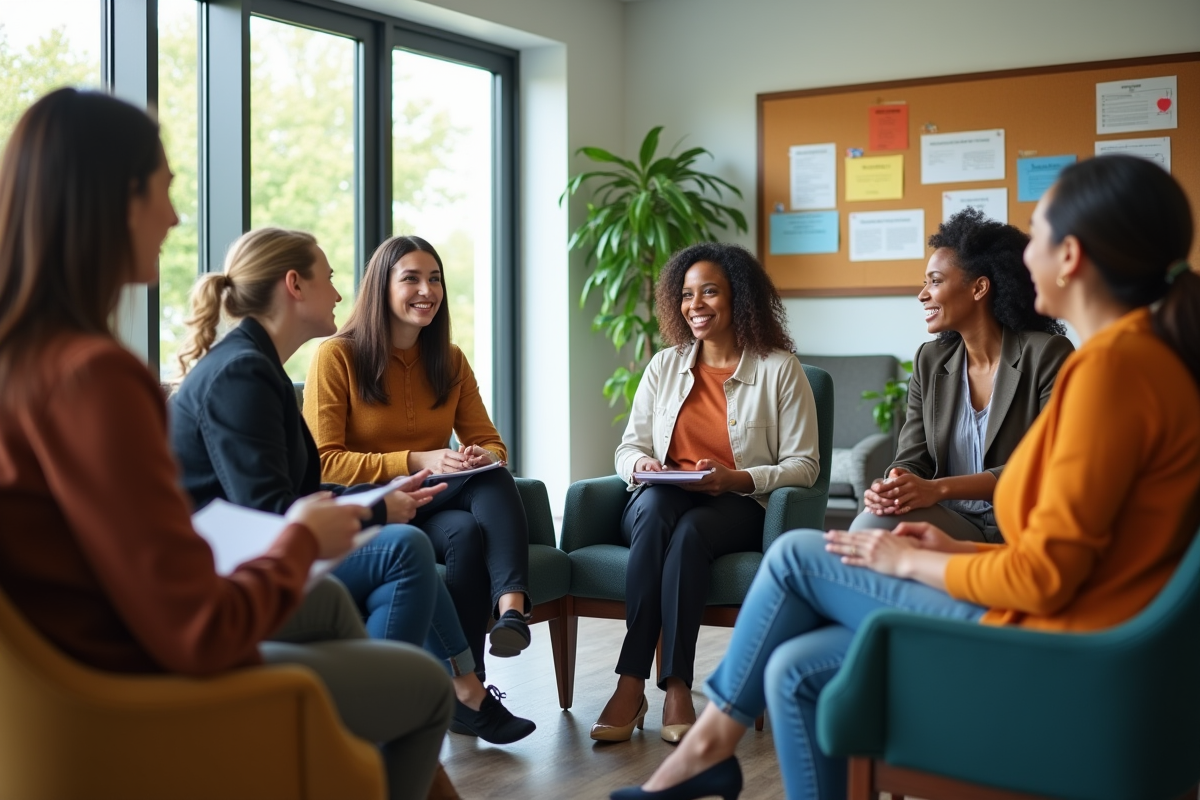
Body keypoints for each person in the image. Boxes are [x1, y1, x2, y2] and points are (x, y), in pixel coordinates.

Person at [612, 155, 1200, 800]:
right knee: (793, 668)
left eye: (1039, 233)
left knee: (796, 559)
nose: (1024, 255)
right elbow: (1071, 548)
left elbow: (1043, 575)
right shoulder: (1136, 359)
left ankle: (703, 751)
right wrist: (949, 547)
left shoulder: (1111, 373)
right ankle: (707, 751)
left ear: (1071, 255)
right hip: (1061, 615)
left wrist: (917, 564)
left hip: (1057, 644)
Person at [0, 88, 454, 800]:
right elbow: (199, 628)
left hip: (79, 676)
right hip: (141, 681)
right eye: (164, 190)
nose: (175, 217)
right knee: (426, 687)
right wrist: (303, 539)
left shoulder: (25, 361)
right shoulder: (94, 375)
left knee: (338, 609)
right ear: (114, 200)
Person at [169, 227, 535, 744]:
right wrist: (381, 508)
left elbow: (288, 497)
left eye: (435, 279)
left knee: (452, 528)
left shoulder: (258, 367)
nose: (341, 294)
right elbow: (273, 509)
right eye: (331, 279)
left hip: (280, 537)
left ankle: (455, 693)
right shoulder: (244, 372)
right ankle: (399, 714)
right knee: (404, 551)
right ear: (294, 285)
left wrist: (385, 501)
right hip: (232, 564)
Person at [595, 242, 820, 745]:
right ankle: (631, 682)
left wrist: (736, 478)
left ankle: (675, 685)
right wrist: (644, 464)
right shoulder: (663, 366)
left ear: (738, 298)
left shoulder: (780, 369)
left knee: (692, 532)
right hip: (661, 496)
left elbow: (804, 466)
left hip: (732, 502)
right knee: (654, 512)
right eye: (687, 294)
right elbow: (627, 447)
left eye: (710, 292)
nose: (695, 304)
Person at [304, 234, 532, 700]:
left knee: (490, 474)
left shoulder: (449, 360)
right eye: (411, 279)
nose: (427, 290)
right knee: (465, 535)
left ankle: (508, 615)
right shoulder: (337, 355)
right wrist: (415, 458)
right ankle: (471, 688)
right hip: (373, 507)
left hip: (434, 495)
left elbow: (492, 444)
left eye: (435, 279)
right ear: (381, 288)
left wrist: (480, 456)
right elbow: (324, 462)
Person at [852, 208, 1073, 543]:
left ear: (979, 288)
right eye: (924, 282)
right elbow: (912, 457)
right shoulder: (930, 361)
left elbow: (1046, 465)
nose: (922, 294)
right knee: (872, 523)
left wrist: (937, 489)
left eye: (935, 281)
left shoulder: (1046, 354)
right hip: (952, 521)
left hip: (1024, 525)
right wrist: (896, 483)